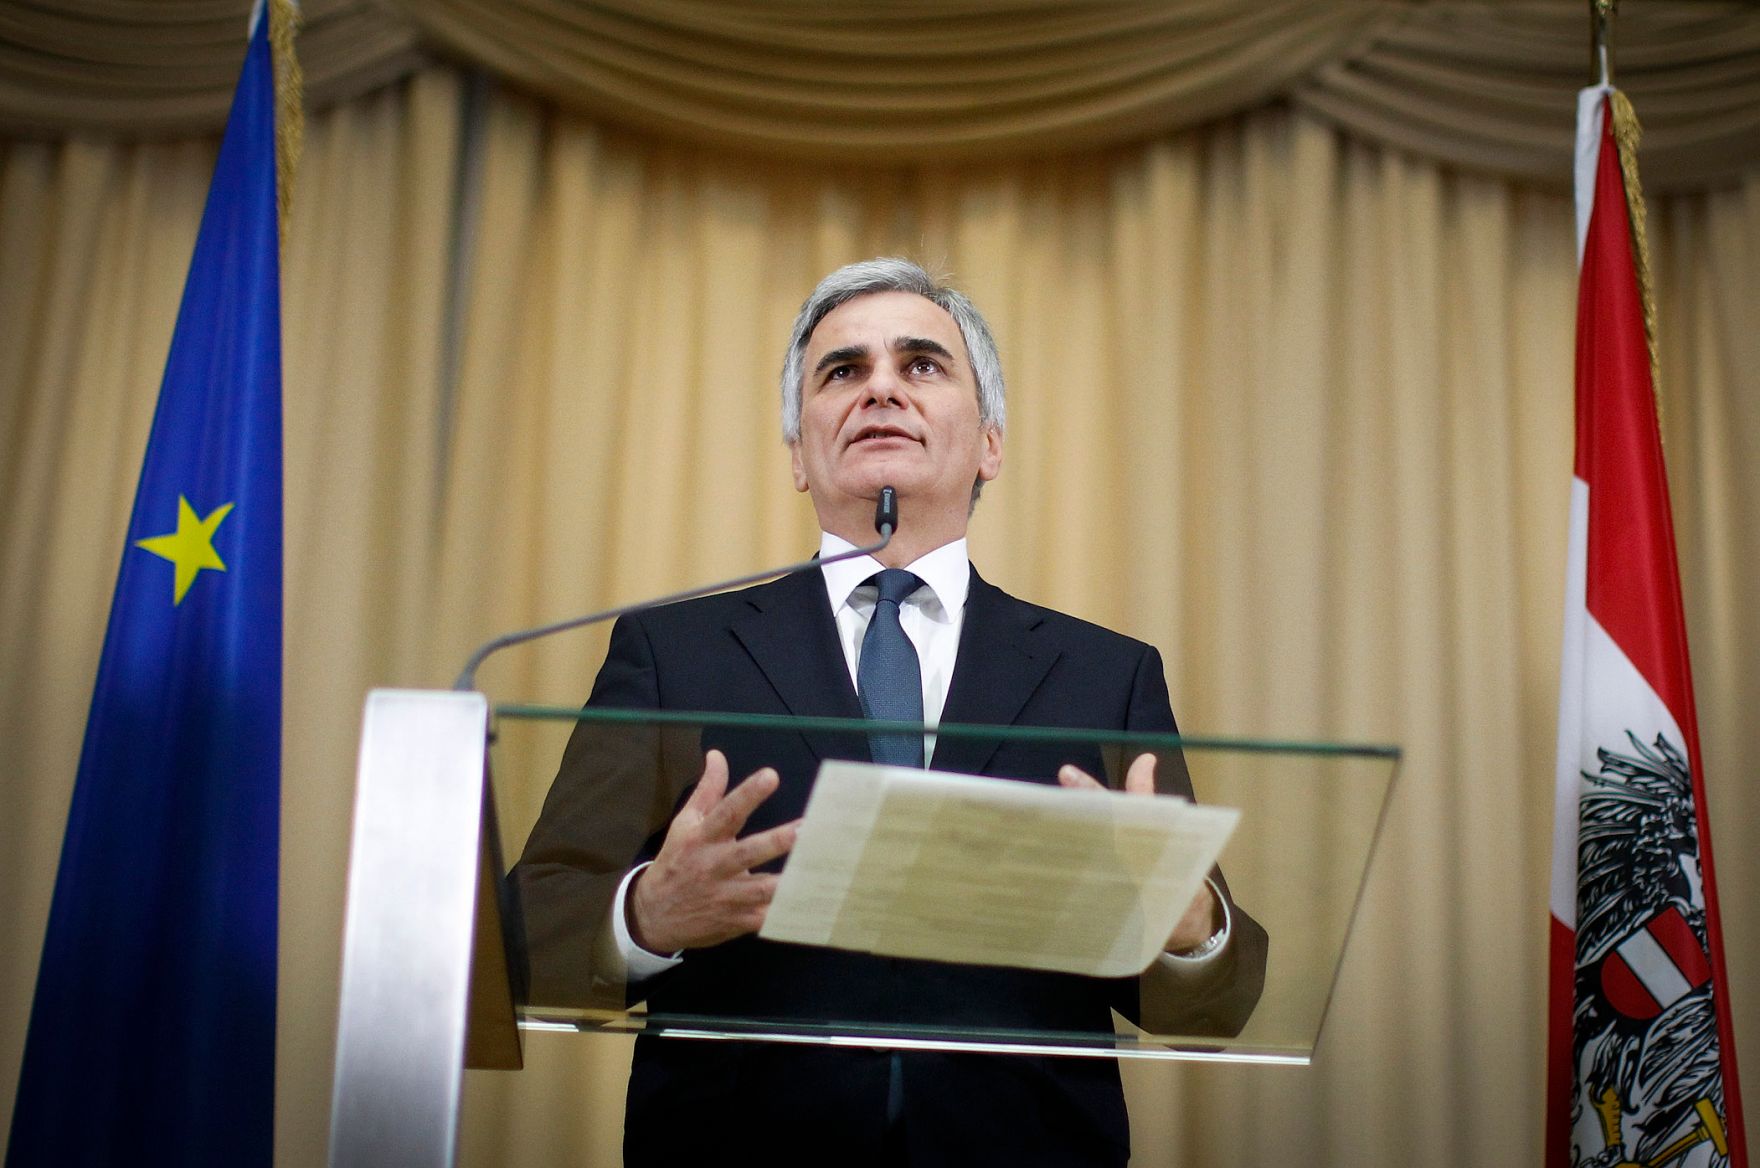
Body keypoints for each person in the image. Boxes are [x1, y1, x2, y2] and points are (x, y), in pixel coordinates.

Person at [511, 258, 1267, 1167]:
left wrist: (1188, 929)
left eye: (921, 364)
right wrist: (645, 916)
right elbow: (531, 929)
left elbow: (1215, 1001)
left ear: (989, 445)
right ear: (799, 455)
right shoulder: (675, 655)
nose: (880, 389)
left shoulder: (1105, 675)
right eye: (843, 370)